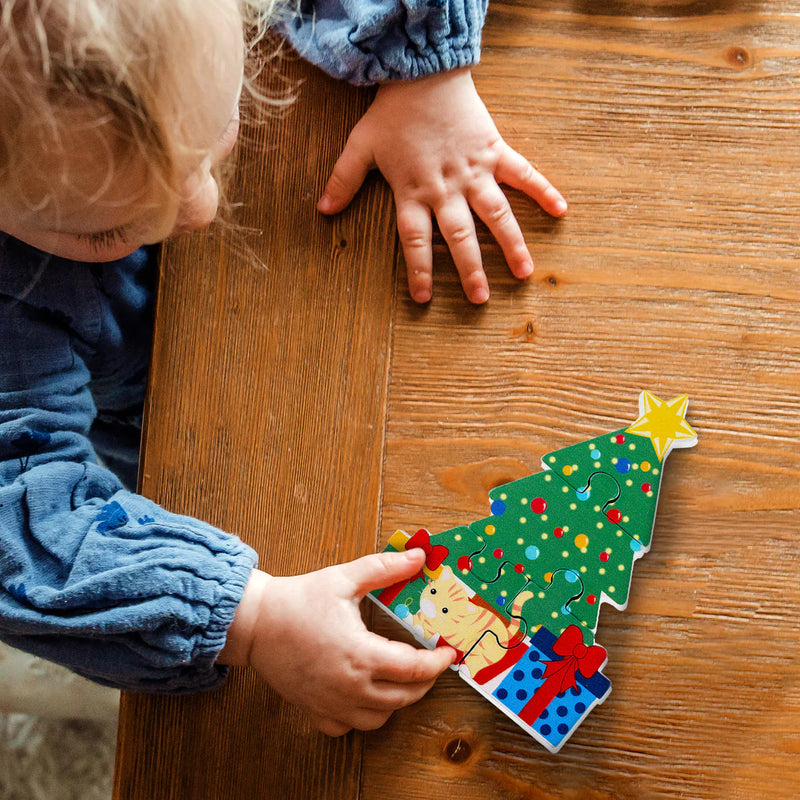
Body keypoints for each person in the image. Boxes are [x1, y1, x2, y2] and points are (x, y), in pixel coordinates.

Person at [0, 0, 566, 736]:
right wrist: (249, 617)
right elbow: (19, 524)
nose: (201, 204)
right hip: (150, 434)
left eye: (216, 132)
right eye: (103, 227)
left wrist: (422, 67)